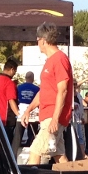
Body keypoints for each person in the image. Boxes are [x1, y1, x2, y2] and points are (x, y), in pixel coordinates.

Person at [28, 24, 72, 162]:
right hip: (50, 116)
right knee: (59, 156)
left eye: (38, 39)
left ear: (43, 40)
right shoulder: (50, 61)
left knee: (35, 151)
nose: (37, 43)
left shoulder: (59, 59)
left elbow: (63, 89)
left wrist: (55, 118)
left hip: (52, 117)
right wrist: (29, 109)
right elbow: (44, 91)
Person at [0, 58, 20, 150]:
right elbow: (11, 101)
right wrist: (19, 115)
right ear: (12, 69)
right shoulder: (9, 83)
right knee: (7, 146)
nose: (14, 73)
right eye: (15, 71)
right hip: (7, 119)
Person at [16, 71, 40, 145]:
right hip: (33, 111)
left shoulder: (19, 87)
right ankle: (30, 143)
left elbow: (16, 100)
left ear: (25, 78)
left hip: (21, 112)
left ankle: (16, 145)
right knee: (32, 131)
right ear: (32, 79)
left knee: (19, 132)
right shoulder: (36, 89)